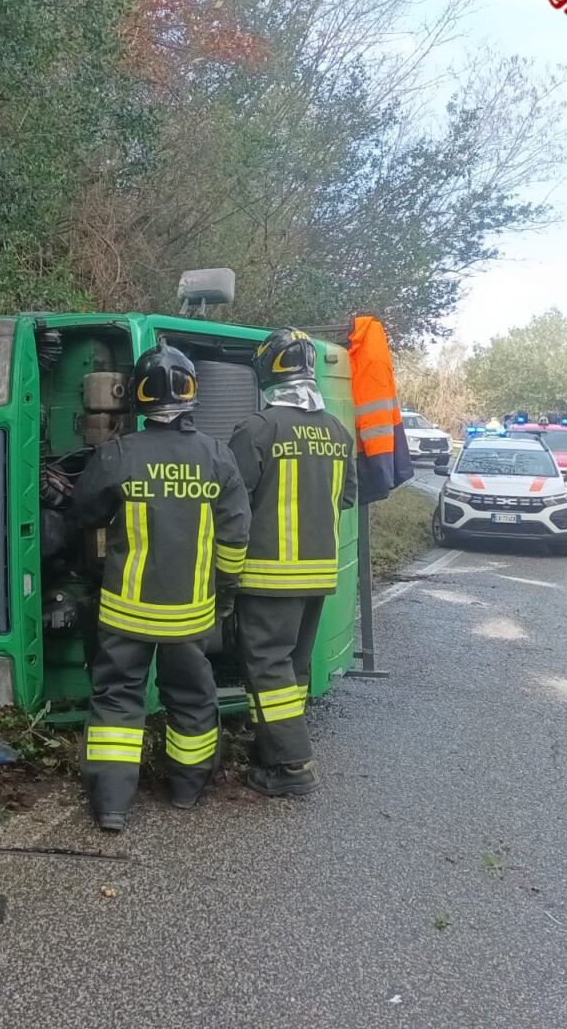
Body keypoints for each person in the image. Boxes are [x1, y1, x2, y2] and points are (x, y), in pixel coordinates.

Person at [72, 343, 250, 831]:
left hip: (125, 612)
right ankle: (186, 791)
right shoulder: (218, 459)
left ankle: (111, 806)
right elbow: (235, 539)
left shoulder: (118, 455)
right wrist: (225, 593)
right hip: (191, 614)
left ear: (139, 397)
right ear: (193, 393)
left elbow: (84, 514)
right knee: (192, 698)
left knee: (116, 701)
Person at [228, 329, 357, 797]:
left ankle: (293, 766)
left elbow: (229, 501)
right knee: (293, 669)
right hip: (318, 574)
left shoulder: (258, 428)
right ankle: (270, 748)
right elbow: (346, 497)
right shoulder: (337, 431)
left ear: (267, 370)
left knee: (267, 667)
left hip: (266, 575)